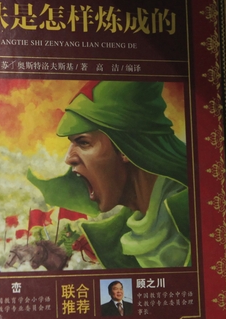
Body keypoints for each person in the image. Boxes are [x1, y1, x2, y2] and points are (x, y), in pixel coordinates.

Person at [28, 81, 190, 269]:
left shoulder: (194, 212)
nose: (69, 159)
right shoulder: (120, 238)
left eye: (83, 142)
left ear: (125, 148)